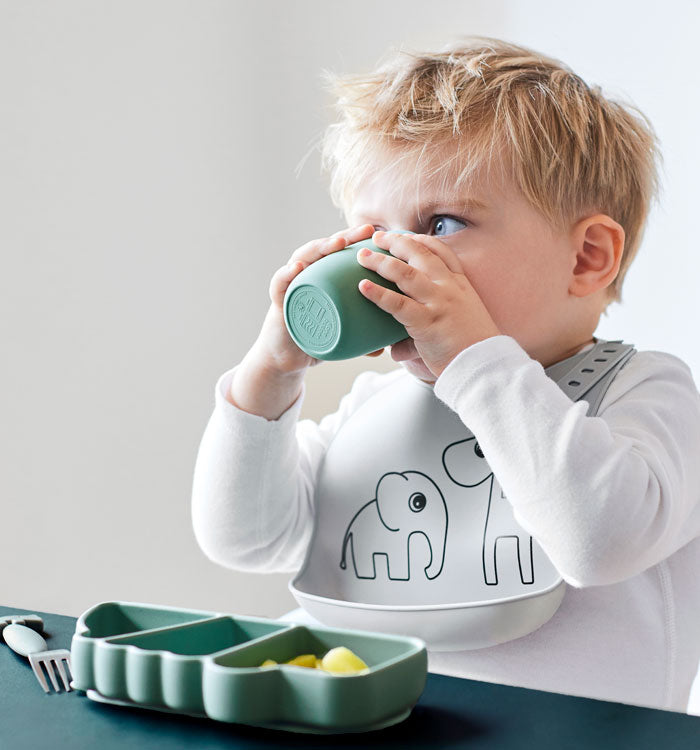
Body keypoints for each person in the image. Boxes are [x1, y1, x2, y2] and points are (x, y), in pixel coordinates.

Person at [191, 37, 700, 712]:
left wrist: (475, 362)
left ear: (586, 258)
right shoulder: (376, 408)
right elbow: (244, 539)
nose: (392, 261)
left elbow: (598, 543)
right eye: (372, 233)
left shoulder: (648, 394)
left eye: (443, 223)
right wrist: (270, 373)